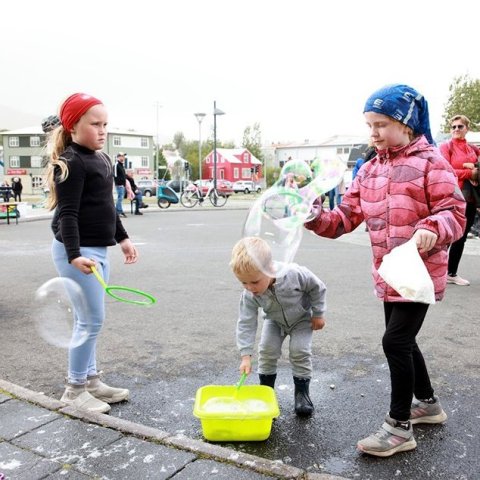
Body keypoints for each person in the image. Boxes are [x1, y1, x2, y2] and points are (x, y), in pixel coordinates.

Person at [305, 84, 466, 457]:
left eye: (381, 124)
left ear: (407, 125)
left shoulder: (431, 162)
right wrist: (315, 217)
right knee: (403, 340)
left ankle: (399, 428)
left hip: (420, 271)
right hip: (390, 272)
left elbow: (454, 213)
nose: (373, 132)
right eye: (369, 125)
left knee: (394, 341)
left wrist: (432, 228)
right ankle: (426, 404)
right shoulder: (369, 170)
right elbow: (344, 218)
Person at [45, 92, 138, 413]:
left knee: (92, 319)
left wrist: (123, 238)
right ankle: (74, 390)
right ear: (72, 127)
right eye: (94, 124)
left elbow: (107, 206)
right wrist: (73, 254)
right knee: (90, 320)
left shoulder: (102, 159)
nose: (102, 130)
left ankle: (92, 381)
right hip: (77, 253)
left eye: (105, 124)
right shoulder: (70, 163)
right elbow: (68, 214)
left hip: (96, 250)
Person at [230, 236, 327, 417]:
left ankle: (302, 393)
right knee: (266, 350)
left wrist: (318, 313)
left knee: (299, 351)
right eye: (243, 282)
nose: (250, 287)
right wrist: (245, 355)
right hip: (274, 321)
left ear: (270, 268)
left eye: (255, 281)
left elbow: (318, 288)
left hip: (302, 320)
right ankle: (266, 392)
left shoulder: (294, 274)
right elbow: (246, 322)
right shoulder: (250, 294)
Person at [439, 115, 480, 286]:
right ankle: (435, 270)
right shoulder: (445, 146)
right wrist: (469, 171)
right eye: (453, 127)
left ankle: (451, 272)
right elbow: (445, 170)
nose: (456, 129)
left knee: (461, 236)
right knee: (446, 235)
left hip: (471, 199)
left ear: (467, 129)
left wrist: (472, 167)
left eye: (460, 126)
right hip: (452, 197)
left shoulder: (473, 149)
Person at [114, 153, 127, 217]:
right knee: (120, 198)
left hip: (122, 185)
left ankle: (119, 211)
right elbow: (115, 175)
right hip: (119, 185)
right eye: (122, 156)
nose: (123, 157)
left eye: (124, 156)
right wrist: (119, 184)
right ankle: (118, 211)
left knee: (120, 198)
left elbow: (123, 175)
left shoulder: (122, 165)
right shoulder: (117, 165)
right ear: (118, 157)